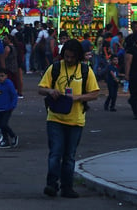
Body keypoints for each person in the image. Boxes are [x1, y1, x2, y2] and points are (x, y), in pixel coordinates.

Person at [38, 39, 99, 198]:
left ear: (78, 56)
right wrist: (51, 91)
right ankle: (51, 184)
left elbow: (95, 93)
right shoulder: (55, 67)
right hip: (55, 118)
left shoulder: (85, 71)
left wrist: (78, 97)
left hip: (76, 119)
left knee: (69, 156)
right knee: (55, 153)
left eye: (72, 57)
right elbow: (41, 88)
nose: (69, 60)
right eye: (66, 56)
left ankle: (67, 187)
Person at [0, 68, 18, 148]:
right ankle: (6, 140)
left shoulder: (8, 84)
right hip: (0, 108)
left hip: (7, 108)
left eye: (2, 76)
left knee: (3, 124)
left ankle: (12, 136)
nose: (0, 78)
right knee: (1, 125)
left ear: (6, 76)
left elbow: (14, 95)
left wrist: (13, 105)